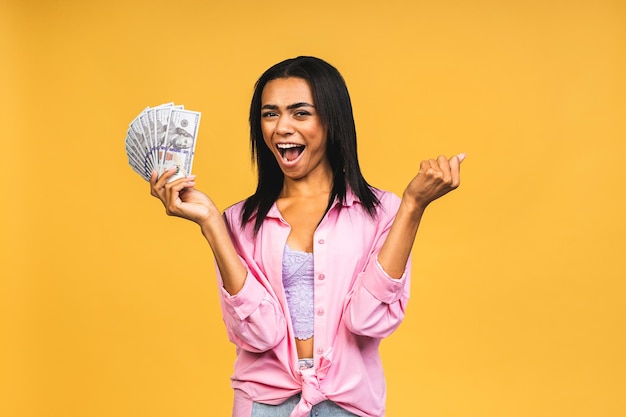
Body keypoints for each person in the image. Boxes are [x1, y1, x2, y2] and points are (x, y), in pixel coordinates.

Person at [149, 56, 464, 417]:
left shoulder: (382, 212)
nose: (282, 127)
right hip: (264, 405)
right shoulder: (238, 221)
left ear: (332, 121)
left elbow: (368, 321)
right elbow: (258, 334)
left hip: (349, 405)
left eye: (300, 113)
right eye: (270, 114)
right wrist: (211, 224)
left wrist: (412, 207)